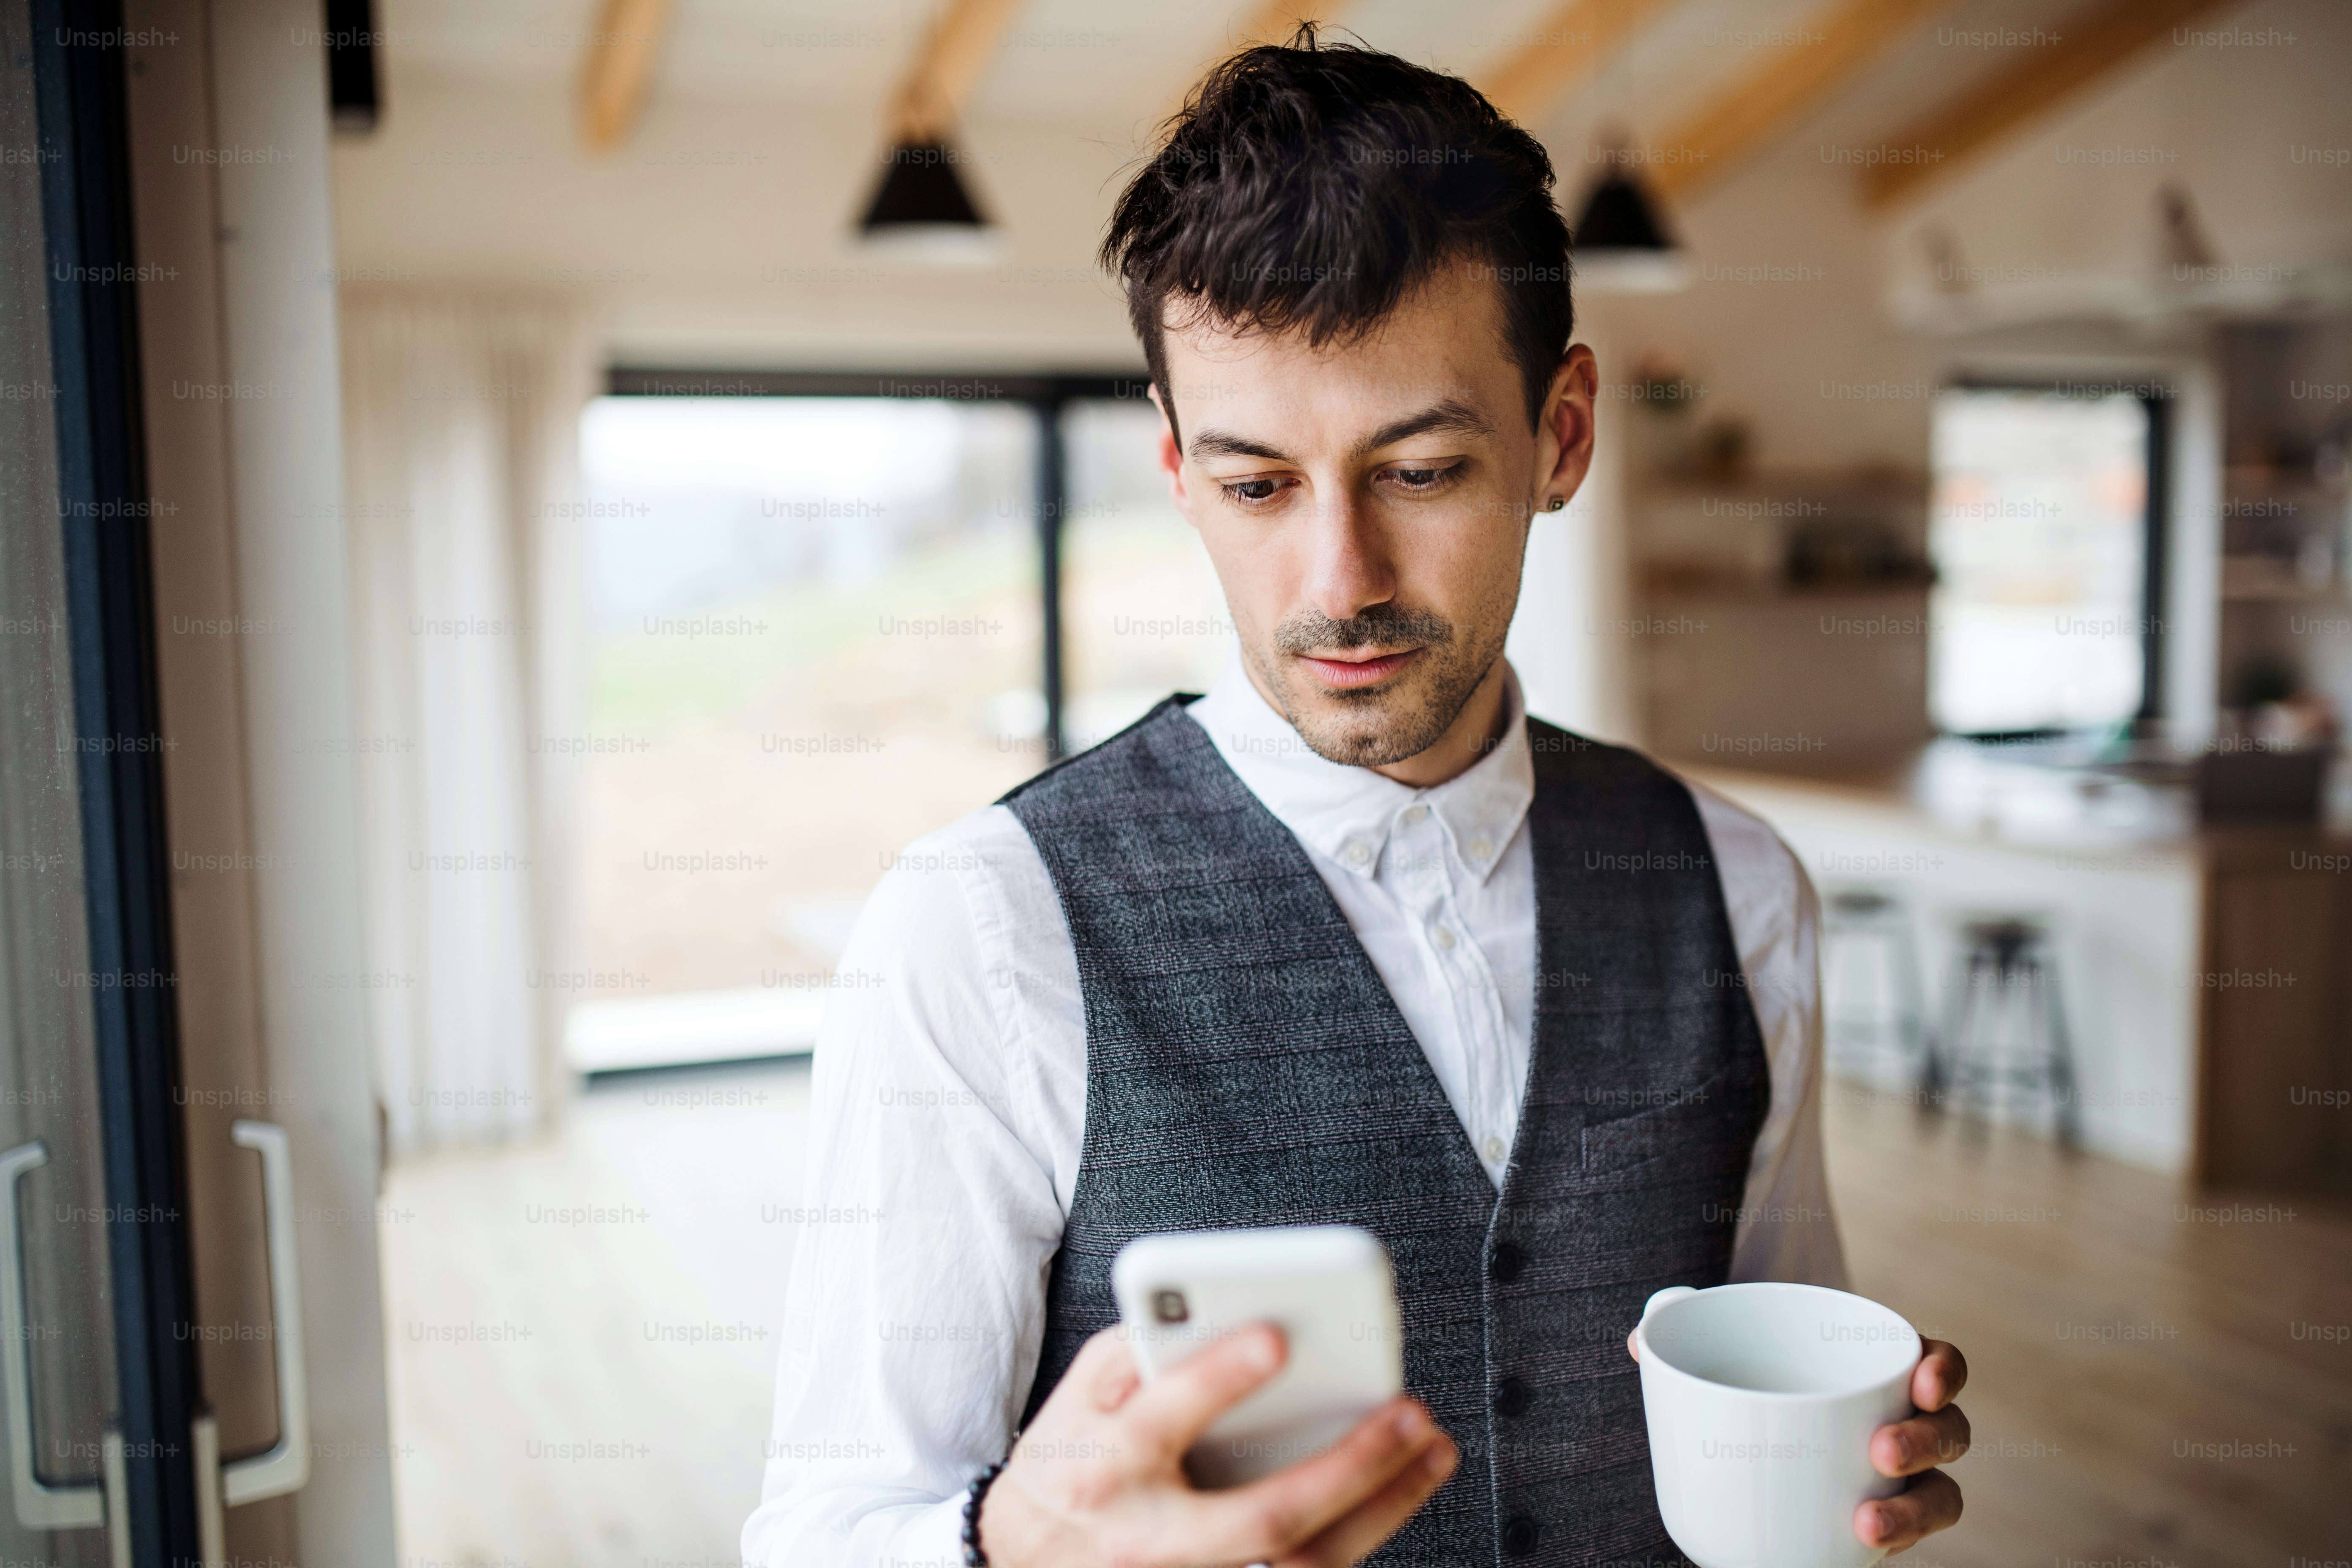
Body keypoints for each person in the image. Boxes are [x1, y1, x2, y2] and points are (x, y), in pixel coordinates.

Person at [744, 28, 1968, 1568]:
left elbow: (1784, 1360)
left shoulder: (1738, 882)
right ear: (1180, 473)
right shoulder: (976, 929)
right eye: (1258, 485)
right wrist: (1005, 1547)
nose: (1342, 582)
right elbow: (830, 1527)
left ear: (1562, 436)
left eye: (1422, 471)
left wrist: (1846, 1468)